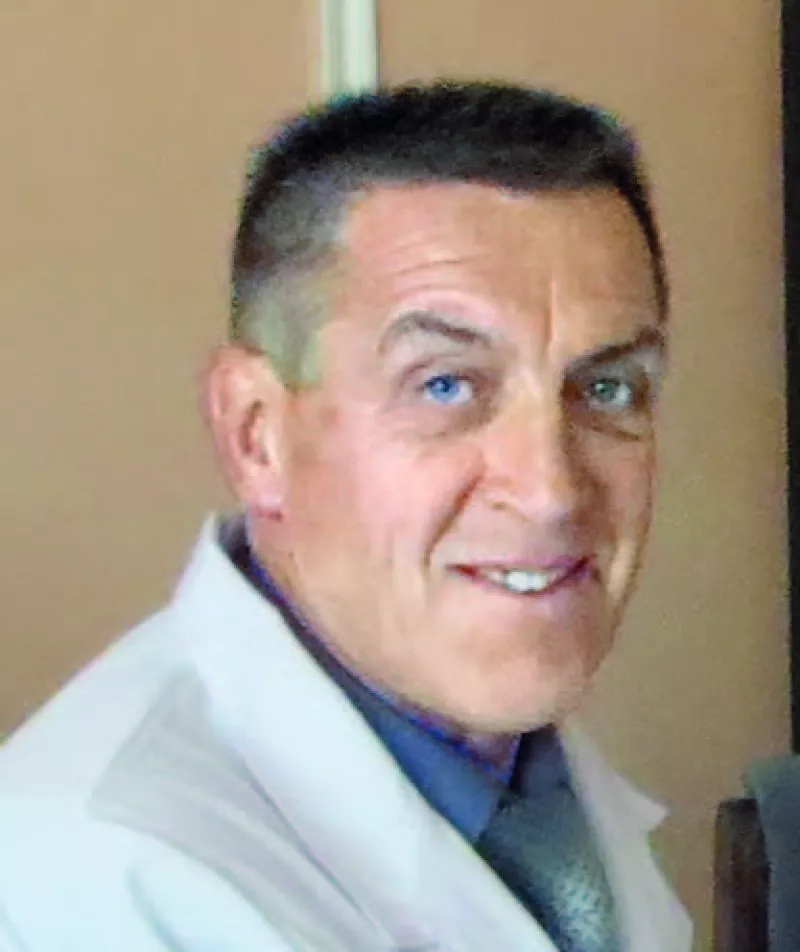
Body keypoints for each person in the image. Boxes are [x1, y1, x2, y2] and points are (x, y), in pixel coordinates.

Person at [0, 81, 692, 951]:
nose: (551, 490)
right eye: (446, 385)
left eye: (607, 388)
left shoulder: (518, 778)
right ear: (256, 435)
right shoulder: (97, 875)